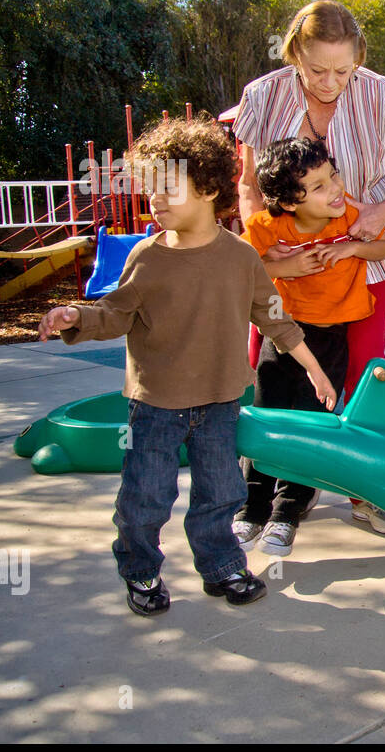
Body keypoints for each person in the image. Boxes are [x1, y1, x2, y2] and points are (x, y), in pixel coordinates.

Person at [37, 118, 337, 617]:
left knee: (221, 495)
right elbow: (115, 314)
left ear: (209, 188)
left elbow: (275, 319)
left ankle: (222, 567)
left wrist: (314, 369)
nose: (154, 200)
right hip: (155, 404)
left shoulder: (241, 257)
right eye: (148, 188)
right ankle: (141, 571)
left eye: (166, 188)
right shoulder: (146, 258)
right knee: (144, 499)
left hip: (221, 402)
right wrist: (75, 317)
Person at [233, 0, 385, 534]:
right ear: (294, 53)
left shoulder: (381, 92)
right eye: (317, 69)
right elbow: (249, 185)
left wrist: (384, 210)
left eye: (344, 70)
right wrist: (263, 253)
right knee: (269, 372)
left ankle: (363, 490)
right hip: (282, 264)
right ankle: (262, 492)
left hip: (364, 258)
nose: (331, 82)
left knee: (363, 371)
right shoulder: (261, 96)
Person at [235, 137, 385, 556]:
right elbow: (240, 269)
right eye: (321, 186)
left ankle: (287, 512)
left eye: (333, 176)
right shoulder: (267, 227)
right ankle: (252, 507)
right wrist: (282, 266)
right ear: (290, 202)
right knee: (267, 415)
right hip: (283, 333)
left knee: (312, 424)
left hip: (330, 338)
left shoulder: (351, 216)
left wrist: (351, 248)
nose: (336, 189)